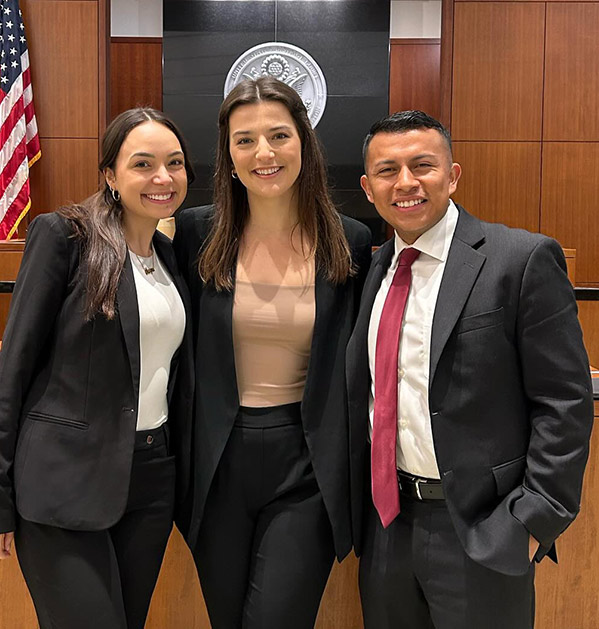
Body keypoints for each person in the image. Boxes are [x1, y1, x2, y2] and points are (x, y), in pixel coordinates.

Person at [347, 110, 594, 628]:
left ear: (453, 174)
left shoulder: (519, 259)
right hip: (387, 526)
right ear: (368, 188)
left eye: (423, 165)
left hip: (482, 529)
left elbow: (564, 403)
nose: (407, 183)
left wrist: (530, 522)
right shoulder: (373, 270)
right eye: (388, 171)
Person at [0, 108, 195, 629]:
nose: (162, 178)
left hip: (150, 481)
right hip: (64, 484)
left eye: (175, 163)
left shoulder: (168, 254)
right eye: (143, 164)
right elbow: (14, 371)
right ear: (111, 176)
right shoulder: (64, 237)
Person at [173, 76, 372, 628]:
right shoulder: (196, 233)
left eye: (279, 135)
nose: (264, 153)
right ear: (228, 154)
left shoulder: (349, 239)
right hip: (216, 462)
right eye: (245, 140)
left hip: (304, 464)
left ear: (304, 144)